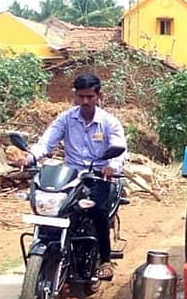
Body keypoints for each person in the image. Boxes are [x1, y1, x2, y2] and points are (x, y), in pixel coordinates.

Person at [23, 73, 127, 281]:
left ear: (99, 96)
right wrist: (31, 156)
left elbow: (120, 149)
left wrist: (111, 166)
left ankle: (105, 260)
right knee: (54, 207)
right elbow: (47, 142)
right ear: (76, 96)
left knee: (97, 210)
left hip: (99, 176)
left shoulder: (109, 123)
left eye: (90, 96)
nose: (85, 101)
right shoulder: (66, 119)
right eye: (81, 97)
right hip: (71, 176)